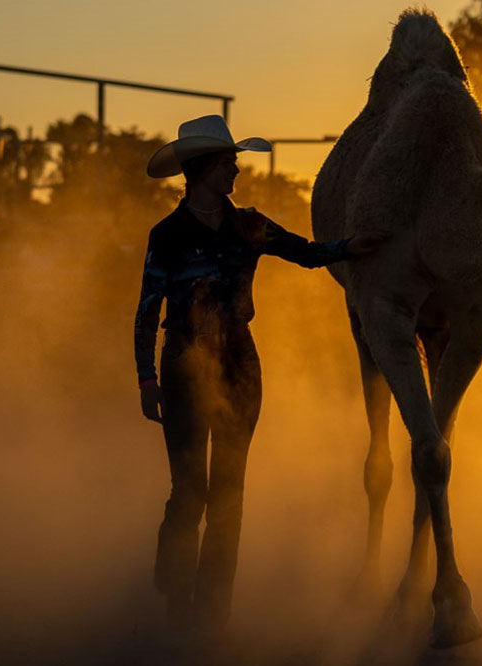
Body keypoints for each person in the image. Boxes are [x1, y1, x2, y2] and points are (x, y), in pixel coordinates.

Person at [134, 115, 387, 640]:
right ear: (203, 168)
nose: (235, 171)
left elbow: (306, 254)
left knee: (227, 496)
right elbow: (147, 310)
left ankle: (211, 615)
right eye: (228, 162)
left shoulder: (249, 224)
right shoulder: (168, 236)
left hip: (239, 368)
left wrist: (350, 247)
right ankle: (175, 591)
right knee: (190, 491)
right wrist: (146, 380)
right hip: (183, 367)